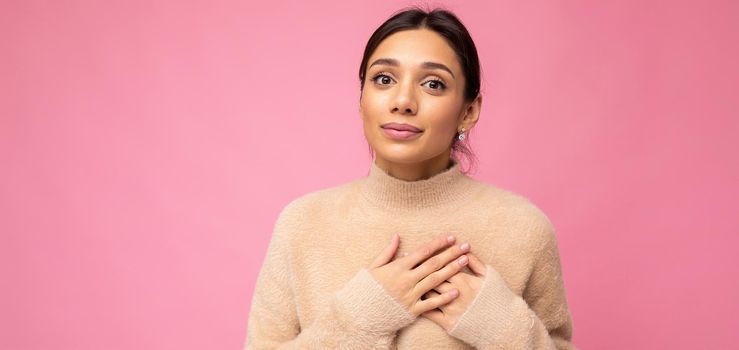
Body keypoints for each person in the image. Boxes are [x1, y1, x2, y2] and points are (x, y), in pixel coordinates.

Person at [245, 6, 575, 349]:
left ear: (468, 111)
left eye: (433, 84)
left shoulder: (523, 228)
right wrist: (357, 321)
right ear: (362, 99)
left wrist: (504, 329)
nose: (403, 101)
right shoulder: (303, 225)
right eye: (384, 79)